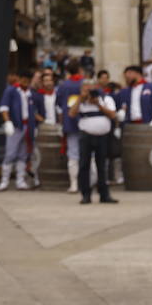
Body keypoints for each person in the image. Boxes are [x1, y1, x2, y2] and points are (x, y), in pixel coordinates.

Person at [74, 77, 118, 204]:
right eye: (85, 88)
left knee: (102, 165)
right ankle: (85, 194)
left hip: (102, 136)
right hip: (86, 135)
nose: (89, 91)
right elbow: (71, 113)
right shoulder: (79, 100)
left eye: (91, 88)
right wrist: (80, 99)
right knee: (84, 165)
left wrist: (98, 104)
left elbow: (112, 115)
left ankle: (104, 194)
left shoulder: (106, 99)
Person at [0, 70, 39, 191]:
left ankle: (20, 180)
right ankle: (4, 180)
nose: (25, 83)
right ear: (19, 79)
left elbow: (34, 111)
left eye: (28, 81)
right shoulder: (11, 91)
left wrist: (34, 126)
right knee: (10, 153)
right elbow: (3, 107)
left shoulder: (31, 93)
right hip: (15, 126)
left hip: (28, 126)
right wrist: (7, 121)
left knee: (23, 154)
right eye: (23, 80)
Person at [55, 60, 86, 193]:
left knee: (72, 154)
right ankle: (88, 182)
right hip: (86, 122)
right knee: (88, 153)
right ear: (79, 69)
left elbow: (58, 106)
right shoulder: (86, 84)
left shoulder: (63, 85)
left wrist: (60, 122)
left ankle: (74, 183)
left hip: (69, 122)